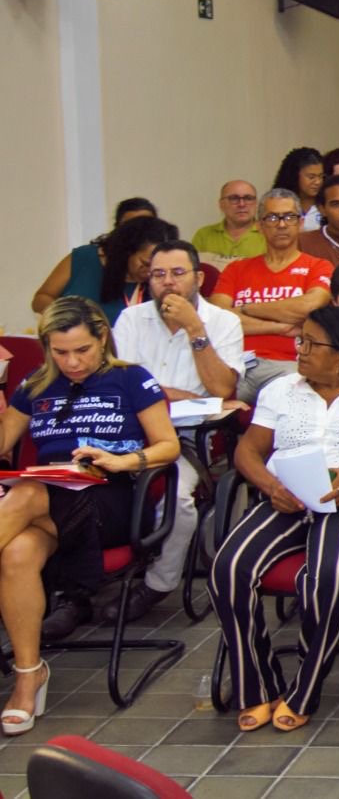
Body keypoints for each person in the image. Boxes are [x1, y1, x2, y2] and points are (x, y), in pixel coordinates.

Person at [209, 306, 339, 734]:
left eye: (310, 343)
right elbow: (247, 451)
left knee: (325, 575)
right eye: (300, 340)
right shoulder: (281, 390)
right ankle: (258, 684)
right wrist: (270, 486)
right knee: (228, 568)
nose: (299, 350)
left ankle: (305, 687)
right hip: (285, 496)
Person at [0, 297, 180, 665]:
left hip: (110, 499)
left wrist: (120, 460)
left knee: (29, 491)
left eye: (82, 350)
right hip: (45, 502)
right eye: (60, 352)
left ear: (102, 338)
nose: (72, 362)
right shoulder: (35, 385)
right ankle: (28, 673)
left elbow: (168, 446)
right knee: (18, 552)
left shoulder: (131, 378)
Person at [108, 241, 246, 624]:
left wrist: (194, 328)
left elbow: (220, 389)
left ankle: (159, 582)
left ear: (199, 278)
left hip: (186, 440)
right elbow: (122, 385)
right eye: (158, 274)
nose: (167, 283)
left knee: (179, 499)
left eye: (177, 273)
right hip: (128, 432)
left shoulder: (223, 322)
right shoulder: (130, 320)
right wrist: (173, 394)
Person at [210, 189, 334, 404]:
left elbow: (309, 307)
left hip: (290, 365)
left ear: (301, 222)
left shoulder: (318, 266)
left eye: (289, 217)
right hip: (235, 364)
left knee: (288, 402)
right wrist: (277, 327)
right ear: (259, 225)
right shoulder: (236, 269)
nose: (282, 224)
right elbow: (218, 319)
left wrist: (246, 309)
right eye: (273, 217)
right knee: (206, 396)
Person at [32, 214, 178, 325]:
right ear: (128, 251)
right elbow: (41, 299)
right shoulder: (84, 258)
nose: (149, 272)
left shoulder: (162, 282)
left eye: (157, 269)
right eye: (145, 263)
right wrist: (67, 319)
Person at [192, 180, 266, 263]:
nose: (242, 204)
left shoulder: (270, 234)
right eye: (234, 198)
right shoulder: (204, 235)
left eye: (248, 198)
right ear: (221, 204)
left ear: (256, 203)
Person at [270, 147, 325, 231]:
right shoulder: (277, 204)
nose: (318, 182)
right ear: (294, 176)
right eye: (311, 177)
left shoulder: (326, 205)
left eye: (321, 176)